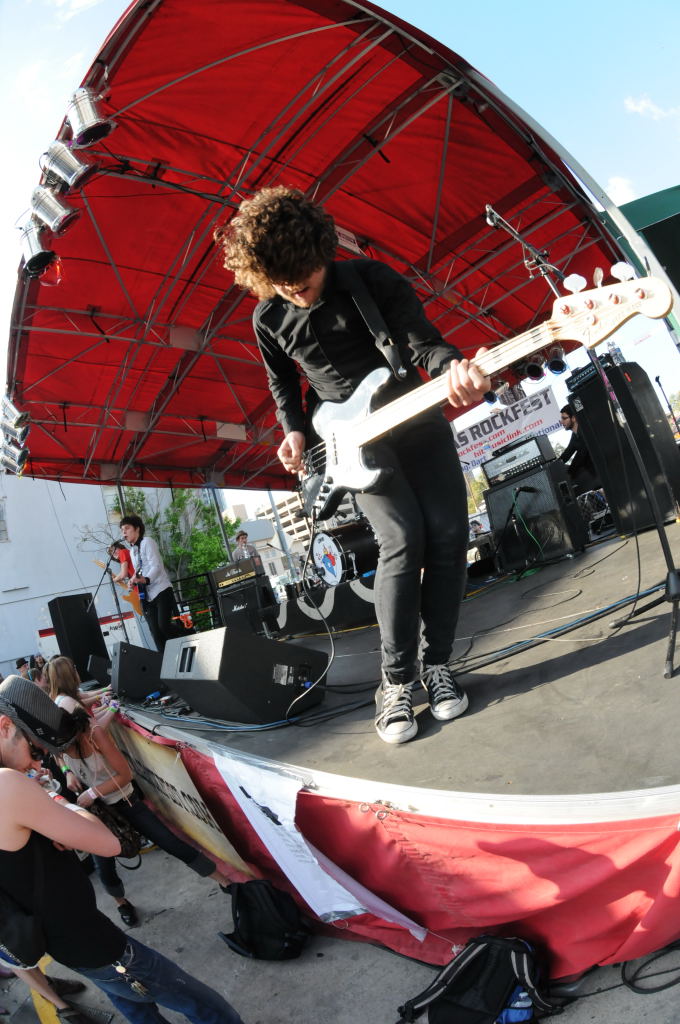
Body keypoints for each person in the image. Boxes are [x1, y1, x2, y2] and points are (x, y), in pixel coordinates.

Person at [214, 186, 490, 745]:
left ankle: (436, 665)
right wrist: (293, 430)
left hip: (414, 417)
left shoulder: (372, 280)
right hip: (354, 442)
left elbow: (423, 345)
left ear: (321, 252)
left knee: (447, 532)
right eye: (282, 284)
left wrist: (455, 368)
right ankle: (396, 681)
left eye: (305, 280)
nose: (296, 292)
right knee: (402, 537)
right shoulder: (268, 318)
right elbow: (282, 383)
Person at [0, 675, 245, 1024]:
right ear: (5, 727)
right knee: (206, 1006)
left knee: (135, 1007)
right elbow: (108, 842)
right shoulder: (7, 783)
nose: (38, 764)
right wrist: (59, 802)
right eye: (36, 750)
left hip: (68, 942)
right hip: (90, 941)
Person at [45, 656, 230, 927]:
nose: (65, 747)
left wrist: (93, 792)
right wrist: (68, 771)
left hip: (124, 801)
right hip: (99, 812)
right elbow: (58, 755)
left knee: (169, 841)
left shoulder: (95, 734)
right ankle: (122, 903)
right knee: (103, 866)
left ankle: (224, 882)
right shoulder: (62, 741)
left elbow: (125, 775)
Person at [119, 515, 182, 652]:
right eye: (122, 530)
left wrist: (146, 579)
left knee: (164, 626)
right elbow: (138, 569)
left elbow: (156, 566)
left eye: (127, 528)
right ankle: (165, 659)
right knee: (155, 633)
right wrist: (132, 580)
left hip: (161, 590)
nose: (124, 532)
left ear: (137, 529)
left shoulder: (147, 542)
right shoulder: (132, 550)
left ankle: (188, 636)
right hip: (147, 596)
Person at [559, 403, 600, 495]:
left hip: (597, 471)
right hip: (590, 472)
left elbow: (580, 455)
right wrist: (554, 466)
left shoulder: (586, 431)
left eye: (564, 418)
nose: (561, 422)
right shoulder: (575, 435)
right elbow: (567, 453)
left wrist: (569, 473)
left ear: (573, 418)